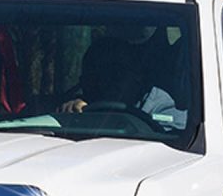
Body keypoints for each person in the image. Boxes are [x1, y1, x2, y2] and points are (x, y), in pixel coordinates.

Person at [57, 37, 186, 128]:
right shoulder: (78, 108)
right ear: (84, 81)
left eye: (115, 74)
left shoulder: (163, 107)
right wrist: (67, 117)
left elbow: (173, 142)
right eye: (95, 77)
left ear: (137, 77)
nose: (105, 84)